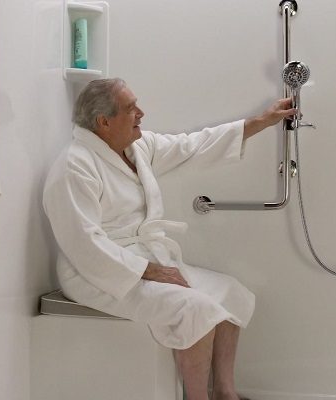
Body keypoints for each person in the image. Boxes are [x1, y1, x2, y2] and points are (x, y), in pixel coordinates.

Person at [43, 78, 296, 400]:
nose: (141, 113)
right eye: (130, 108)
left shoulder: (134, 148)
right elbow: (83, 243)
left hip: (144, 258)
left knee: (231, 292)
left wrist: (262, 121)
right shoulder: (74, 167)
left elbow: (192, 145)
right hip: (97, 272)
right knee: (195, 309)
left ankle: (224, 392)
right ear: (104, 122)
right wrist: (148, 270)